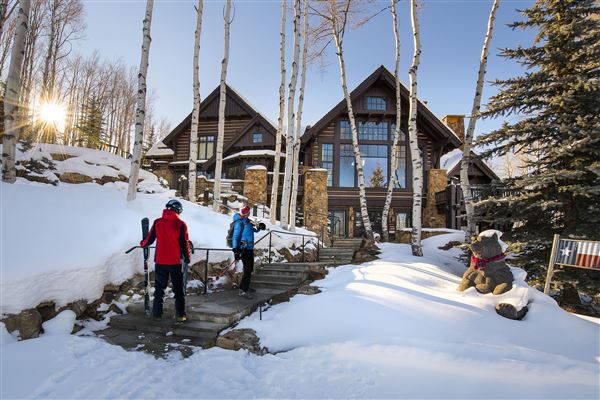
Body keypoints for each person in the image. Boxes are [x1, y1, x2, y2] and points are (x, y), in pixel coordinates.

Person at [140, 199, 191, 322]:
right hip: (175, 262)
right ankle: (180, 315)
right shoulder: (181, 224)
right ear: (177, 210)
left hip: (160, 261)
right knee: (178, 290)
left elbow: (149, 239)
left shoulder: (158, 222)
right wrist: (187, 257)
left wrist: (142, 244)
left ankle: (157, 314)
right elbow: (184, 244)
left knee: (159, 289)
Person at [231, 205, 261, 299]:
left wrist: (260, 227)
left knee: (250, 269)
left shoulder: (247, 221)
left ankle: (246, 287)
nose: (249, 214)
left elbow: (253, 230)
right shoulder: (239, 223)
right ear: (246, 213)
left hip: (249, 249)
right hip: (243, 249)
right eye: (248, 212)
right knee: (247, 270)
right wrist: (236, 251)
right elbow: (235, 237)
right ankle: (242, 290)